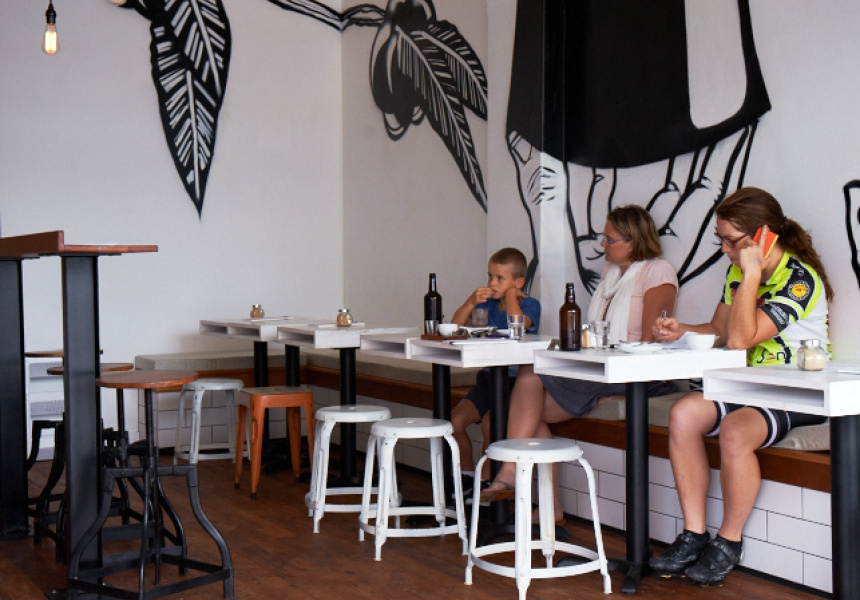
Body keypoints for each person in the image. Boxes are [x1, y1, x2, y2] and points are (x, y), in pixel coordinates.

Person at [648, 187, 832, 586]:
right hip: (748, 387)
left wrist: (752, 274)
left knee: (734, 430)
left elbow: (741, 339)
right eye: (721, 240)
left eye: (732, 241)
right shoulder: (736, 272)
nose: (725, 250)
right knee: (684, 413)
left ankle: (729, 542)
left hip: (796, 391)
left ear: (763, 236)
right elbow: (720, 330)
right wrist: (682, 330)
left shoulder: (799, 279)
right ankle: (694, 534)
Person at [480, 205, 678, 521]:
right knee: (530, 401)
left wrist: (620, 386)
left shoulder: (658, 272)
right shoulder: (611, 273)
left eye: (609, 239)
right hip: (599, 367)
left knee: (527, 393)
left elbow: (651, 341)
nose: (603, 244)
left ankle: (509, 474)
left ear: (632, 241)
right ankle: (548, 505)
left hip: (634, 373)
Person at [449, 247, 541, 494]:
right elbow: (454, 327)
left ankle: (487, 482)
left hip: (515, 383)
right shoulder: (487, 305)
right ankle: (467, 477)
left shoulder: (530, 305)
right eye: (490, 276)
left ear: (519, 282)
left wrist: (511, 295)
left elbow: (517, 325)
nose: (491, 283)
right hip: (489, 379)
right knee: (455, 421)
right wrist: (471, 301)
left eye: (500, 278)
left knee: (491, 424)